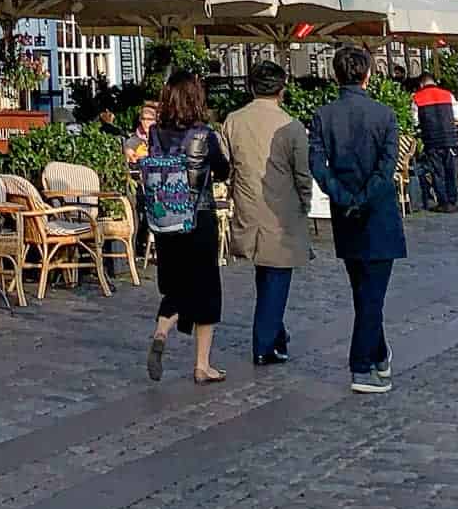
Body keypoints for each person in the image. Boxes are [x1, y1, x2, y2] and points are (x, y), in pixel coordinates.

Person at [309, 45, 405, 394]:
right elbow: (386, 167)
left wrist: (342, 195)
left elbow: (318, 164)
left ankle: (379, 355)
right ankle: (361, 365)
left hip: (345, 213)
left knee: (363, 292)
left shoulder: (324, 116)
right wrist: (364, 197)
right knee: (371, 295)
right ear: (367, 74)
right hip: (378, 213)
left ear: (336, 74)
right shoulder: (384, 115)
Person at [139, 70, 228, 384]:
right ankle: (202, 365)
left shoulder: (156, 134)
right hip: (198, 217)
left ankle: (162, 330)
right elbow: (222, 169)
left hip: (166, 221)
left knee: (176, 285)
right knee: (206, 290)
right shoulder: (204, 134)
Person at [223, 59, 310, 366]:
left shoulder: (233, 120)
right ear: (282, 90)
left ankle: (276, 333)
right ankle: (264, 342)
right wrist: (306, 202)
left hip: (248, 204)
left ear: (250, 87)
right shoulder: (291, 125)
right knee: (277, 275)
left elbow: (226, 162)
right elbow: (302, 172)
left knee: (266, 272)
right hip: (281, 208)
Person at [410, 72, 458, 213]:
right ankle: (452, 200)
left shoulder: (417, 98)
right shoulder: (448, 95)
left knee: (437, 172)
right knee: (451, 171)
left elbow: (414, 120)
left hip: (431, 139)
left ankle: (443, 202)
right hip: (450, 139)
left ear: (421, 84)